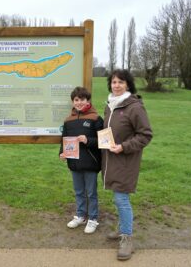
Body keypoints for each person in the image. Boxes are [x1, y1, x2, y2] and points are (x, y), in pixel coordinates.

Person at [102, 69, 153, 260]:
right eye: (114, 82)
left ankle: (127, 239)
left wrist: (123, 147)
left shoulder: (134, 107)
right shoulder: (110, 105)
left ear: (128, 85)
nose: (116, 85)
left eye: (120, 82)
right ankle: (122, 228)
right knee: (117, 198)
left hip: (125, 160)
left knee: (121, 199)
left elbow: (145, 135)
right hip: (111, 158)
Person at [60, 87, 104, 234]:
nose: (79, 103)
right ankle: (80, 216)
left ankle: (93, 218)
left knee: (91, 192)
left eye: (82, 99)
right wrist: (62, 153)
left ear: (88, 100)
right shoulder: (68, 121)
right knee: (79, 191)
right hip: (74, 162)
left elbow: (104, 141)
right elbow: (64, 140)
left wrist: (87, 140)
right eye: (76, 100)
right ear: (73, 101)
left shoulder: (96, 119)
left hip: (91, 162)